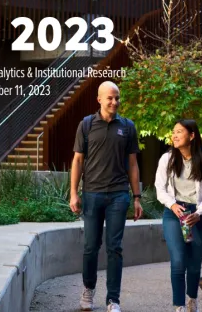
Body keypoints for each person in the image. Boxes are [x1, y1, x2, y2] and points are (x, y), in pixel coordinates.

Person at [69, 81, 144, 312]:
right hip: (92, 194)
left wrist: (136, 197)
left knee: (115, 247)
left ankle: (113, 300)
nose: (114, 102)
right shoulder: (87, 125)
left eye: (117, 98)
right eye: (110, 98)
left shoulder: (128, 127)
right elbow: (78, 160)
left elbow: (133, 164)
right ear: (99, 99)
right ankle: (88, 290)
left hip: (119, 195)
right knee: (91, 245)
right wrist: (73, 192)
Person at [155, 119, 202, 312]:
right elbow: (160, 188)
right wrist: (172, 204)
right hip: (174, 214)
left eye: (179, 132)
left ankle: (192, 299)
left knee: (193, 265)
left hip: (197, 215)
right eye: (173, 132)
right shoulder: (167, 159)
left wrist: (200, 213)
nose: (174, 135)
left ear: (191, 136)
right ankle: (179, 306)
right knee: (178, 260)